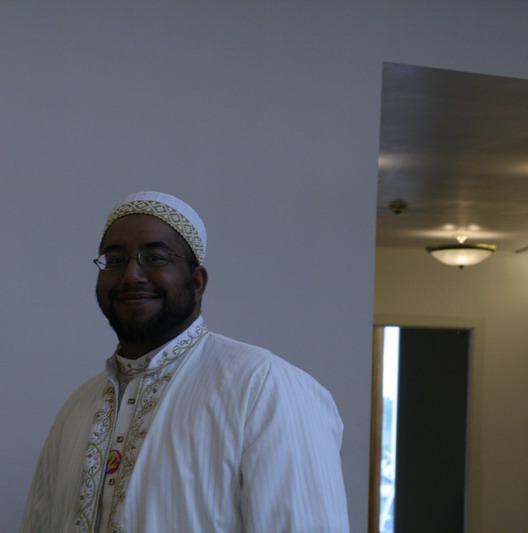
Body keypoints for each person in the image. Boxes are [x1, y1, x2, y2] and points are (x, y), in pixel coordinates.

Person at [19, 191, 349, 533]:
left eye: (154, 258)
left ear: (196, 281)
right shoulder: (78, 406)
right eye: (115, 260)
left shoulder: (264, 386)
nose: (131, 275)